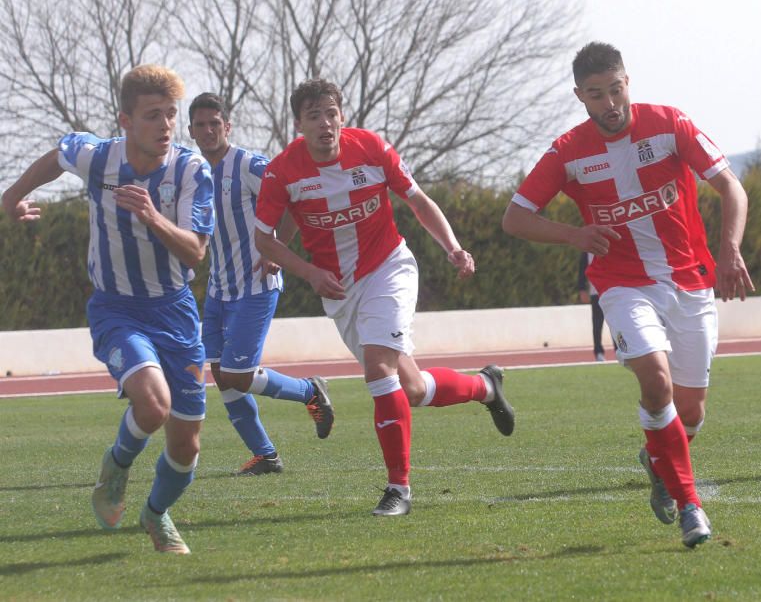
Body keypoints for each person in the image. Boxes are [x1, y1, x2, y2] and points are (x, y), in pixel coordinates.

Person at [503, 42, 754, 549]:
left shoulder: (669, 124)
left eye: (616, 89)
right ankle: (690, 507)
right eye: (596, 94)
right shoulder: (567, 151)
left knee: (692, 413)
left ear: (627, 82)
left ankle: (657, 457)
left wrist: (730, 251)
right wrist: (574, 235)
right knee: (654, 380)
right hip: (622, 284)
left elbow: (731, 187)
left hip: (689, 280)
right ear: (581, 96)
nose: (610, 103)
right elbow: (515, 217)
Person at [252, 78, 515, 517]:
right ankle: (486, 386)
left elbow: (418, 200)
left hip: (388, 268)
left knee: (378, 368)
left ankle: (399, 490)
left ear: (342, 116)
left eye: (331, 113)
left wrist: (452, 246)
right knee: (409, 387)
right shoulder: (283, 171)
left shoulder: (371, 148)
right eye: (313, 116)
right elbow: (265, 239)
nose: (325, 124)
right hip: (339, 289)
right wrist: (309, 271)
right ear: (298, 124)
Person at [1, 65, 214, 554]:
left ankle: (156, 515)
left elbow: (195, 253)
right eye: (152, 116)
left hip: (175, 312)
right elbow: (57, 156)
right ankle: (116, 467)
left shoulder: (190, 171)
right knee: (153, 403)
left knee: (187, 447)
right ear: (125, 120)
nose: (165, 127)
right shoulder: (98, 157)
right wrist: (12, 197)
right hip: (116, 308)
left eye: (170, 115)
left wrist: (152, 216)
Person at [187, 93, 335, 476]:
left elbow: (292, 201)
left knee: (238, 374)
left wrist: (278, 248)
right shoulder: (194, 173)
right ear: (191, 131)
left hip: (256, 284)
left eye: (214, 123)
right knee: (222, 377)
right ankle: (266, 456)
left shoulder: (249, 164)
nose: (207, 130)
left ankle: (309, 391)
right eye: (200, 125)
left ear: (227, 126)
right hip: (219, 289)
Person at [577, 252, 613, 361]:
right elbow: (582, 271)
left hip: (612, 292)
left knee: (615, 323)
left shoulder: (610, 248)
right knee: (597, 324)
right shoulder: (587, 252)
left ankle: (620, 349)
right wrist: (582, 289)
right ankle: (598, 352)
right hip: (595, 293)